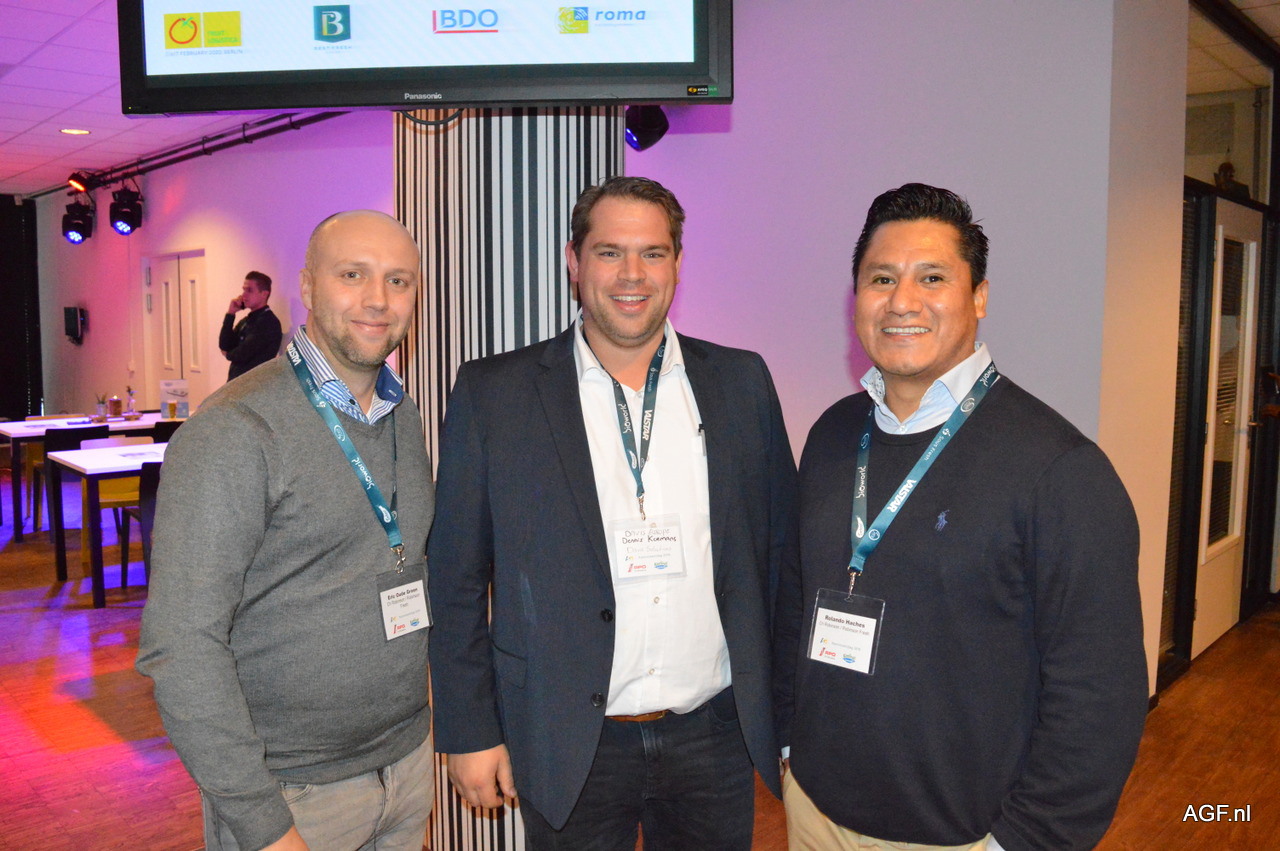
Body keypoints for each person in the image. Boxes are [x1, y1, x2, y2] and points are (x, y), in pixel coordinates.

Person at [774, 184, 1147, 851]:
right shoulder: (832, 434)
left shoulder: (1060, 471)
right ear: (855, 298)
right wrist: (787, 745)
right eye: (881, 278)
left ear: (979, 297)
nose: (902, 301)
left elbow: (1099, 693)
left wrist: (1022, 840)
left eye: (932, 278)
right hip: (814, 811)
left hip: (962, 836)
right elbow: (796, 600)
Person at [428, 176, 796, 848]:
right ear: (574, 261)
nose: (632, 274)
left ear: (677, 264)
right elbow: (454, 578)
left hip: (713, 736)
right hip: (569, 738)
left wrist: (787, 714)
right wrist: (470, 729)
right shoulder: (496, 394)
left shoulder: (742, 382)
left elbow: (779, 562)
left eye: (653, 253)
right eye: (609, 252)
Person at [138, 211, 435, 851]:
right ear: (306, 286)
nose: (378, 299)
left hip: (408, 766)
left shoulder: (402, 414)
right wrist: (261, 822)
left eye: (398, 280)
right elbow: (181, 646)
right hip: (293, 796)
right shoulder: (234, 429)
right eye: (352, 275)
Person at [220, 270, 284, 381]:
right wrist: (231, 314)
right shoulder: (247, 320)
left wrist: (227, 354)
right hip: (237, 383)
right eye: (244, 290)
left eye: (249, 290)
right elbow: (225, 345)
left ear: (264, 294)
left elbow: (242, 353)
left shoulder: (268, 322)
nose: (243, 295)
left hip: (254, 385)